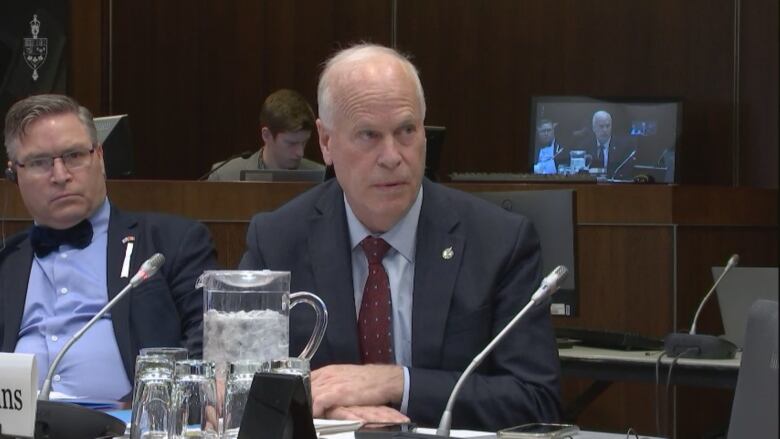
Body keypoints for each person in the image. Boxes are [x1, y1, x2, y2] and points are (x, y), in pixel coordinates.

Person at [239, 44, 560, 431]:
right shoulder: (277, 239)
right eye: (368, 135)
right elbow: (236, 389)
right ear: (325, 142)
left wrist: (395, 382)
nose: (392, 155)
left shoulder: (499, 242)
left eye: (406, 131)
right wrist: (330, 413)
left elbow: (536, 401)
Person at [0, 94, 218, 401]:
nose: (61, 176)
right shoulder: (6, 261)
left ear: (99, 157)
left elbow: (209, 341)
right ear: (14, 174)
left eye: (74, 156)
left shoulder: (170, 242)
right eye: (39, 163)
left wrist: (151, 406)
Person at [207, 89, 325, 181]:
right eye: (291, 143)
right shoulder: (225, 176)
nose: (300, 153)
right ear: (266, 135)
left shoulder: (324, 179)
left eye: (304, 142)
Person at [580, 110, 635, 178]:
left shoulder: (623, 147)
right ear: (594, 128)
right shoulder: (584, 146)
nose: (605, 130)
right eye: (601, 126)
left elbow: (625, 172)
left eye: (608, 126)